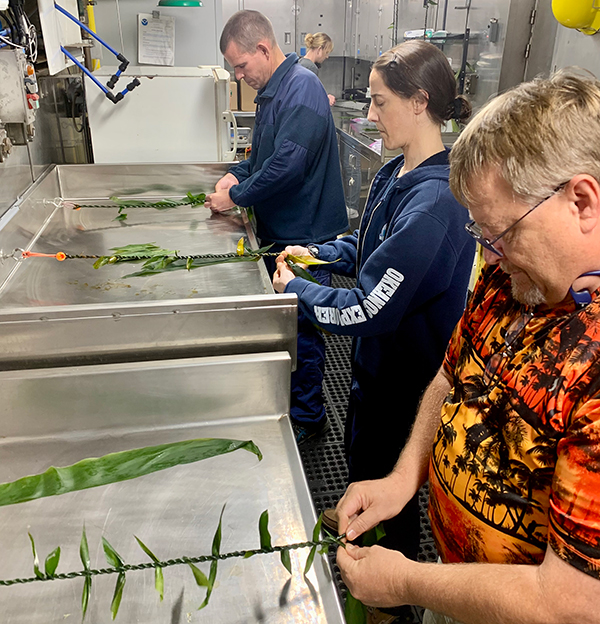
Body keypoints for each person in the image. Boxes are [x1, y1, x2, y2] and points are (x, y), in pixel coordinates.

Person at [335, 69, 600, 624]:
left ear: (581, 201)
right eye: (483, 236)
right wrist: (405, 476)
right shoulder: (512, 275)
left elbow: (569, 604)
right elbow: (454, 371)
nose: (491, 255)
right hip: (459, 589)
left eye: (502, 234)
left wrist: (407, 580)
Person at [272, 40, 475, 577]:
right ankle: (361, 536)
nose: (369, 115)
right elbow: (366, 248)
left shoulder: (436, 203)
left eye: (380, 103)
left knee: (393, 494)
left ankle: (393, 592)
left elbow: (368, 309)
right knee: (362, 466)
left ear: (418, 102)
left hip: (406, 386)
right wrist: (318, 255)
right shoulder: (395, 174)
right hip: (372, 372)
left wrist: (298, 290)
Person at [205, 10, 348, 443]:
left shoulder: (301, 87)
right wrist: (236, 172)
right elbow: (264, 156)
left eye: (241, 65)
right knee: (285, 327)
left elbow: (287, 167)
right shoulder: (273, 91)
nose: (238, 75)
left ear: (263, 49)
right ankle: (289, 404)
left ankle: (309, 418)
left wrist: (236, 196)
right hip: (279, 231)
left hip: (303, 237)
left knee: (302, 330)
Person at [298, 32, 336, 105]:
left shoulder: (301, 62)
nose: (327, 56)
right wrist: (326, 99)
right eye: (326, 52)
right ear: (319, 49)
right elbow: (309, 100)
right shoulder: (310, 68)